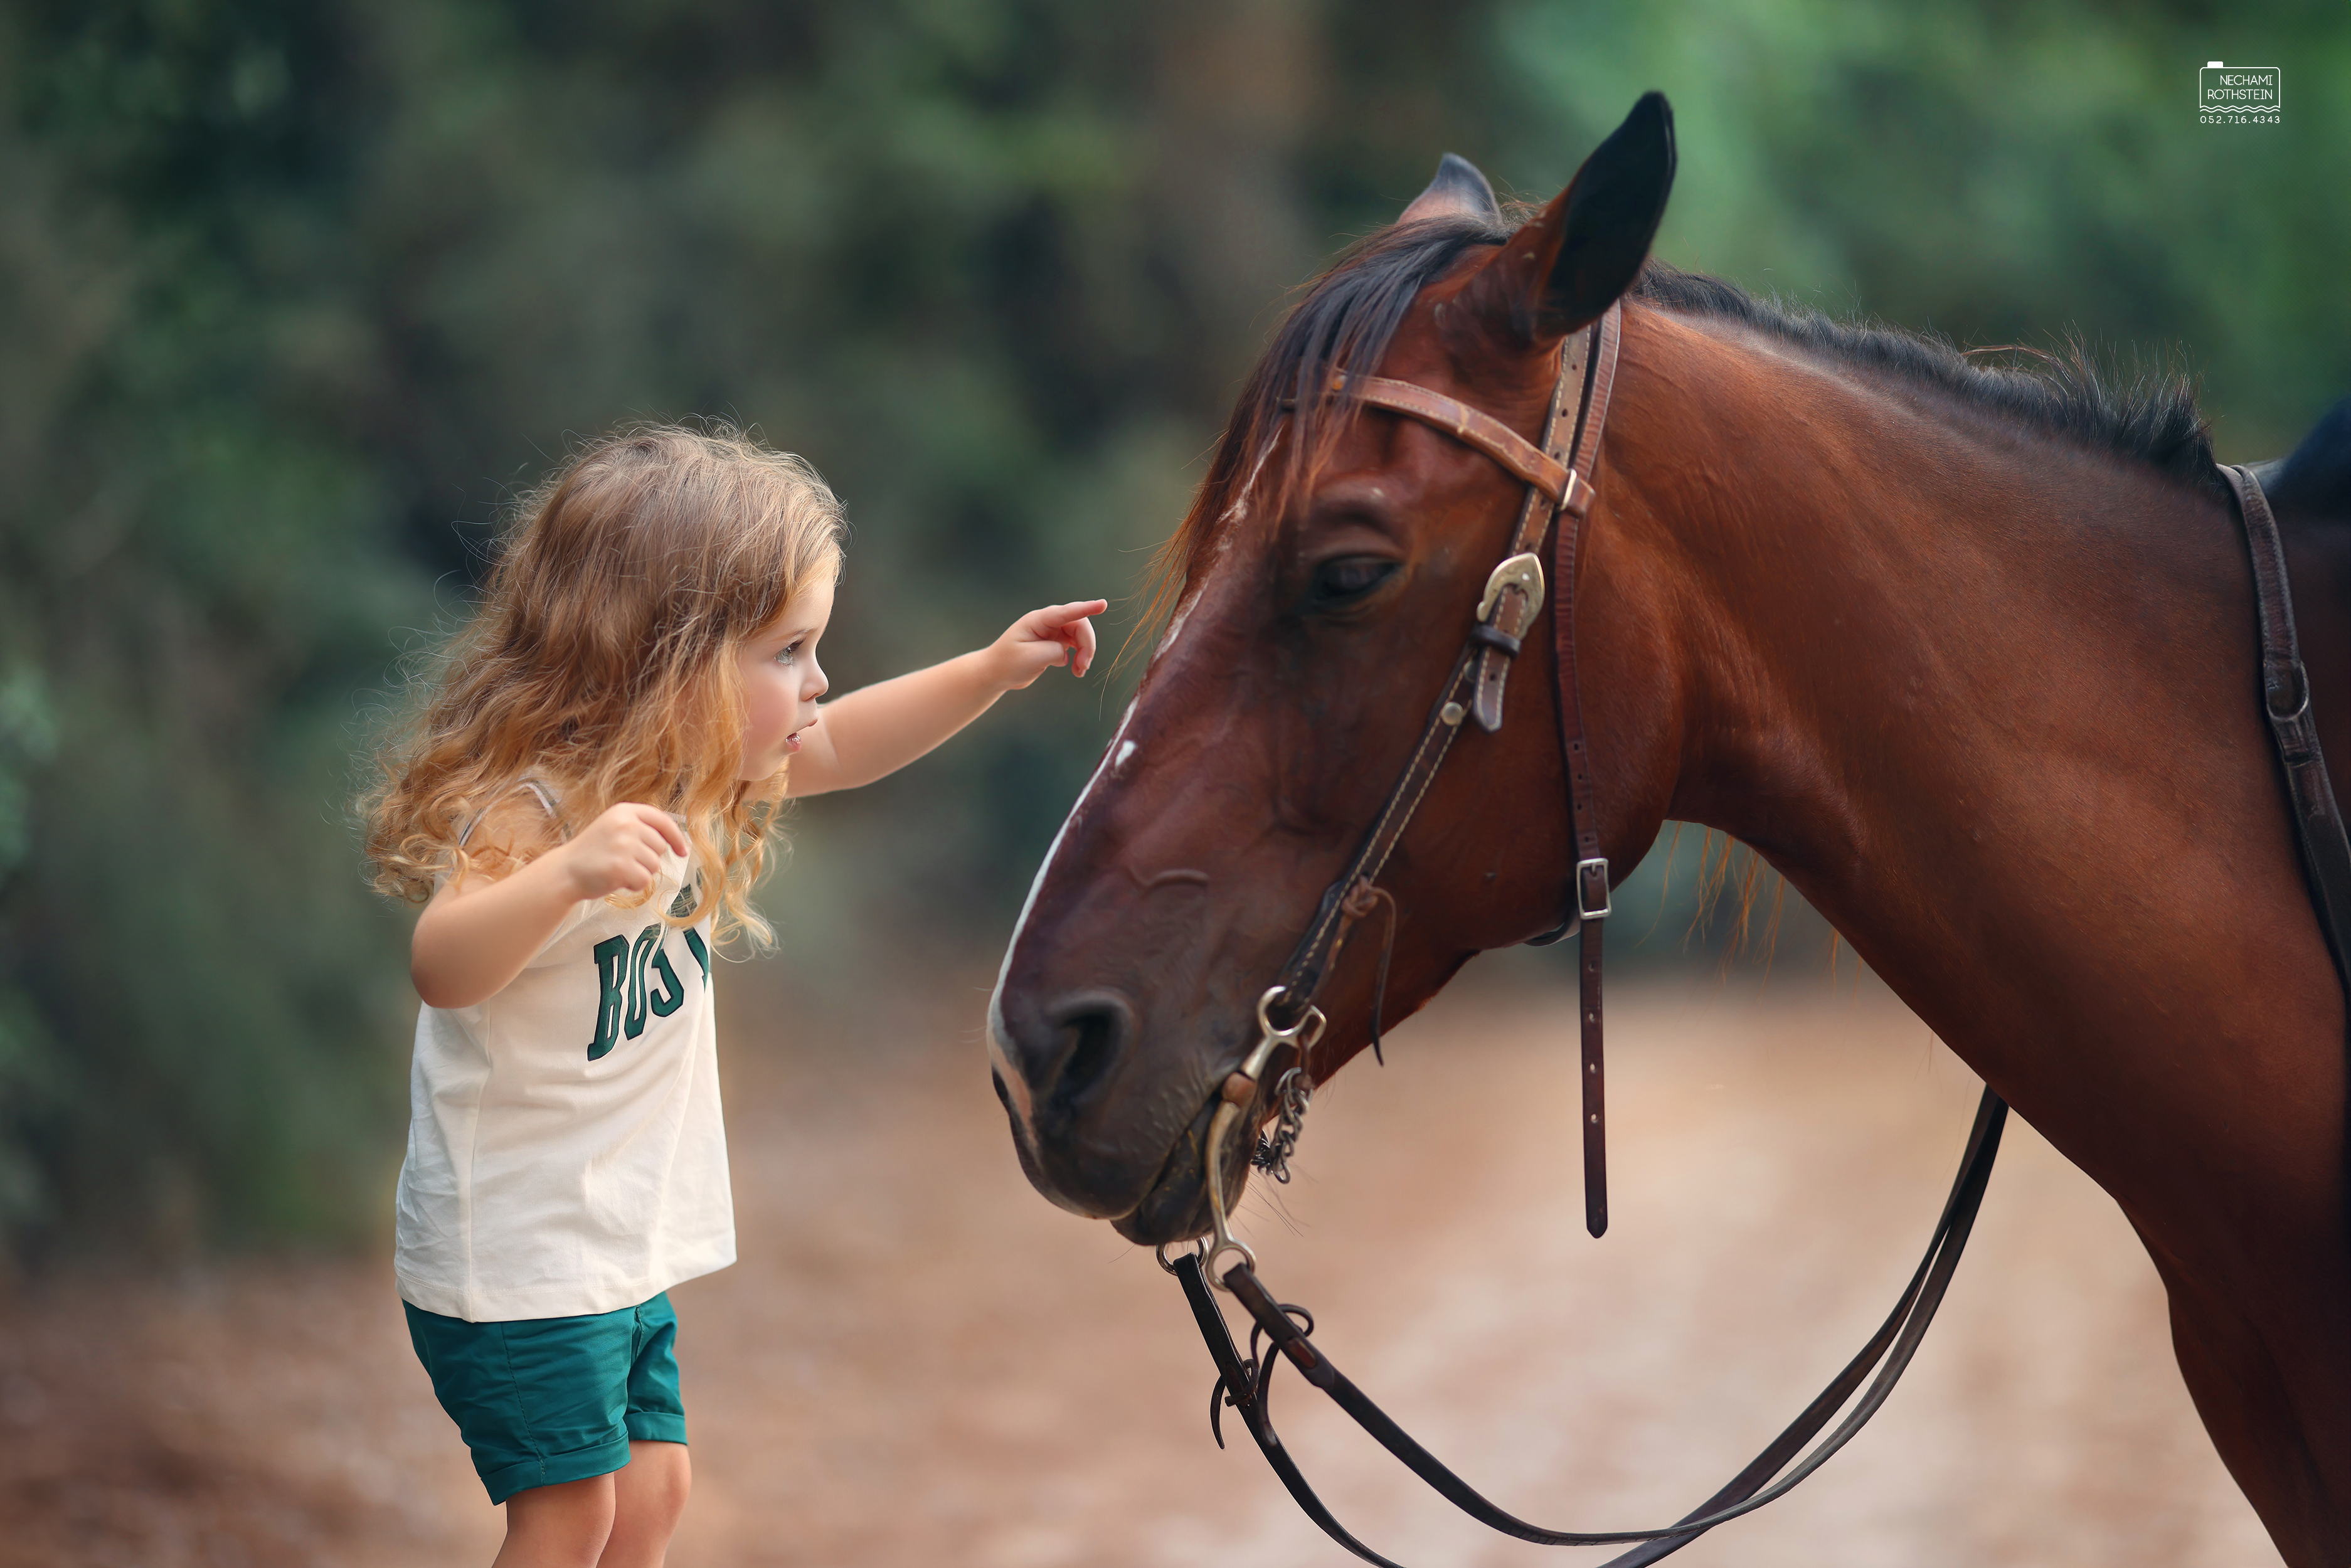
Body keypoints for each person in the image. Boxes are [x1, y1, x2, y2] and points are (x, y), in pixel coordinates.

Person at [361, 422, 1101, 1568]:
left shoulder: (699, 781)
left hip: (613, 1241)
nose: (818, 683)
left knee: (652, 1498)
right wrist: (564, 877)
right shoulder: (542, 811)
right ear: (671, 657)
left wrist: (991, 669)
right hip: (512, 1253)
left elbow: (847, 744)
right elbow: (441, 963)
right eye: (789, 651)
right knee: (568, 1520)